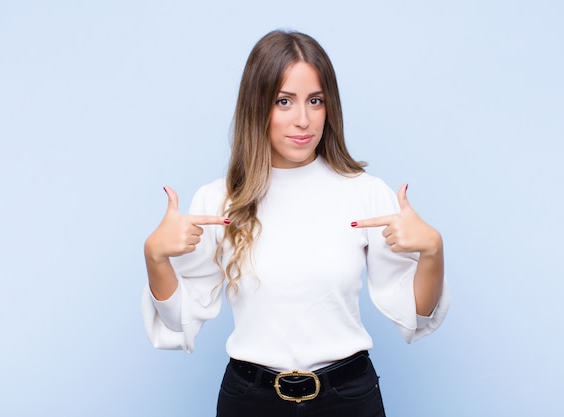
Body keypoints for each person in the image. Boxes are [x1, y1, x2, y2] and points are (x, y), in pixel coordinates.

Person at [141, 29, 450, 417]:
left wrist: (433, 251)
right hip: (249, 401)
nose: (303, 120)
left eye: (315, 101)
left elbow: (417, 314)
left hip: (348, 399)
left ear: (329, 107)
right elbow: (177, 321)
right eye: (283, 101)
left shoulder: (366, 194)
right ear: (257, 107)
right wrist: (155, 258)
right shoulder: (219, 201)